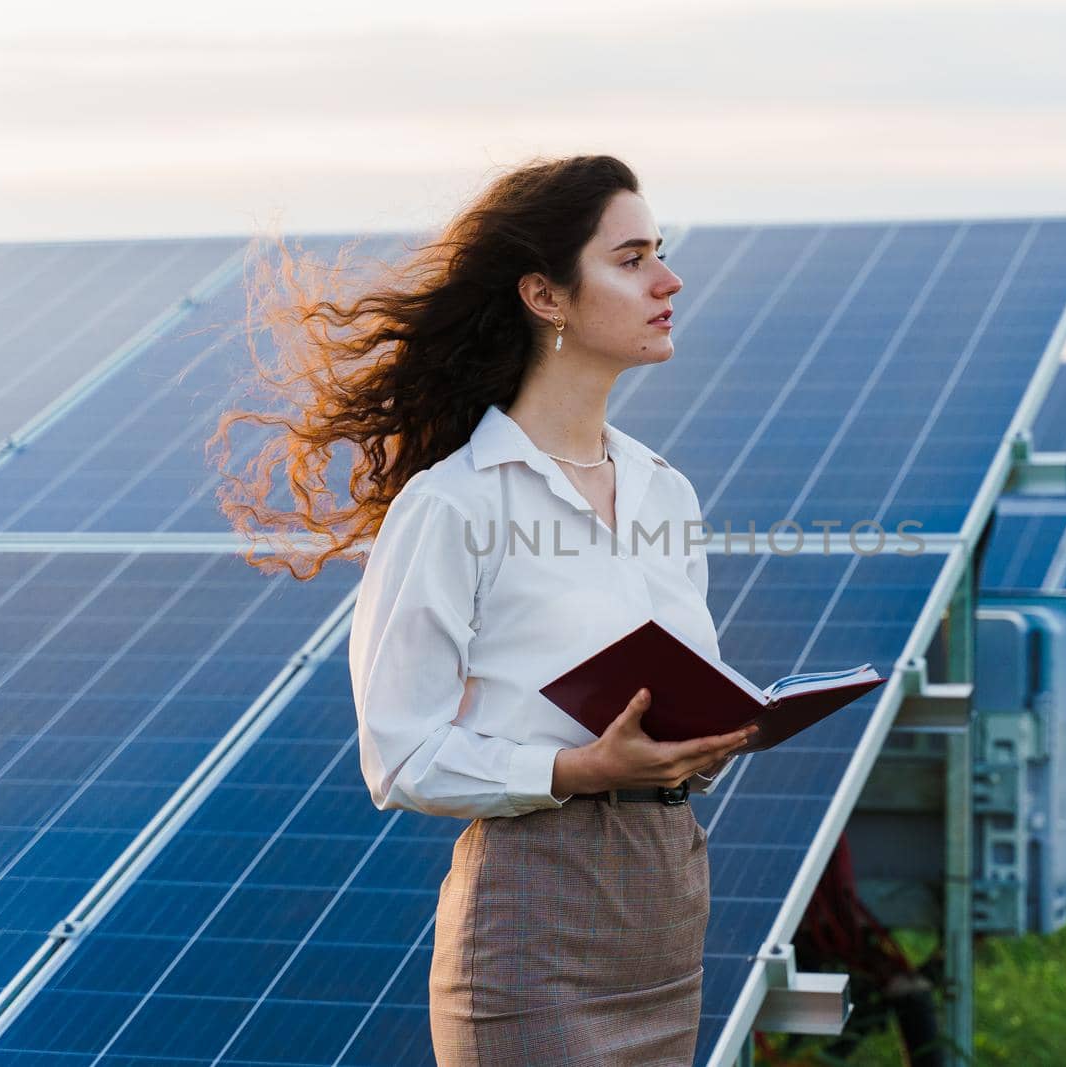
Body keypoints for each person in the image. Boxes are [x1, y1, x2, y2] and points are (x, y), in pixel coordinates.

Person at [310, 155, 756, 1066]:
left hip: (666, 904)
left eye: (659, 253)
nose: (668, 280)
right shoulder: (452, 505)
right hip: (535, 921)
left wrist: (702, 741)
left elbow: (661, 709)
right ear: (546, 297)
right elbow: (400, 757)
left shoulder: (666, 493)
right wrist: (580, 766)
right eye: (631, 259)